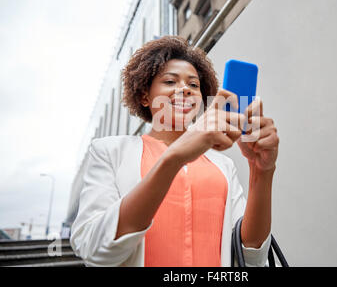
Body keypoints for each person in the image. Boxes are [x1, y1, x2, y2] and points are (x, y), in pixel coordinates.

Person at [70, 36, 280, 267]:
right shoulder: (109, 151)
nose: (184, 90)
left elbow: (251, 255)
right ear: (144, 96)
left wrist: (262, 171)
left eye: (193, 85)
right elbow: (93, 248)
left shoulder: (223, 165)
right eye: (170, 81)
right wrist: (174, 157)